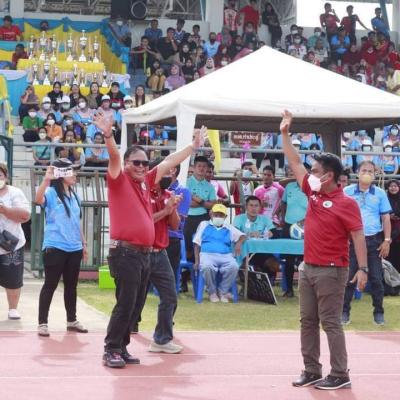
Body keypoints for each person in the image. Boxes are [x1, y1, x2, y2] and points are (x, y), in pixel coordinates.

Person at [92, 110, 206, 368]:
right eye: (136, 162)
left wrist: (193, 146)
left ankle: (122, 347)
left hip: (143, 253)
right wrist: (108, 135)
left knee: (135, 305)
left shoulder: (146, 182)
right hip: (126, 253)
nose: (142, 167)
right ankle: (111, 349)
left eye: (145, 163)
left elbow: (169, 162)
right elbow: (113, 157)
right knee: (126, 303)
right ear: (127, 163)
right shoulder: (119, 179)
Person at [280, 110, 368, 390]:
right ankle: (312, 370)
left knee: (330, 322)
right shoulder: (313, 192)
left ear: (329, 175)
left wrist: (363, 268)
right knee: (307, 320)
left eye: (316, 171)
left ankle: (340, 374)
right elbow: (294, 161)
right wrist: (284, 133)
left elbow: (358, 236)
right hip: (308, 267)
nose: (311, 174)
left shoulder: (347, 203)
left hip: (332, 270)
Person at [130, 160, 183, 353]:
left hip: (160, 254)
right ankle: (120, 337)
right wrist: (165, 211)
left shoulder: (168, 194)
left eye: (172, 173)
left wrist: (173, 208)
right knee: (132, 298)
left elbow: (175, 226)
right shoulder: (142, 194)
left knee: (170, 296)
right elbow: (143, 221)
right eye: (166, 172)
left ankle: (161, 339)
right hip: (140, 253)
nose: (170, 176)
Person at [35, 159, 88, 337]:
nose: (75, 175)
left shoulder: (75, 195)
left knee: (71, 286)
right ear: (61, 174)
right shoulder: (50, 192)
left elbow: (77, 222)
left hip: (74, 248)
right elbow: (37, 200)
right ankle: (42, 323)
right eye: (71, 171)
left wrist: (83, 244)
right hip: (55, 246)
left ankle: (72, 320)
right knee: (50, 285)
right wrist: (46, 179)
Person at [342, 161, 392, 326]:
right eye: (364, 170)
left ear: (375, 175)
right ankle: (344, 312)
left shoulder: (380, 193)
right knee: (349, 277)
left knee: (376, 278)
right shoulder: (347, 192)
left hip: (373, 241)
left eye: (370, 171)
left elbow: (386, 218)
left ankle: (379, 313)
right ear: (357, 173)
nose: (367, 173)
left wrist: (386, 240)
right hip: (351, 241)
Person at [194, 203, 246, 303]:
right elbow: (197, 243)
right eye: (216, 214)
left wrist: (239, 243)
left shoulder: (229, 227)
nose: (218, 217)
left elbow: (243, 236)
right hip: (207, 254)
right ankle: (212, 292)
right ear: (211, 214)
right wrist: (197, 261)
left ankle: (222, 291)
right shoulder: (204, 224)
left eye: (221, 215)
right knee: (207, 267)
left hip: (225, 255)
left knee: (234, 266)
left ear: (225, 217)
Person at [0, 163, 30, 320]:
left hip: (11, 244)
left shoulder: (15, 193)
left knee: (13, 279)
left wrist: (4, 210)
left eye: (0, 175)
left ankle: (13, 308)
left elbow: (25, 216)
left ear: (6, 177)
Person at [280, 166, 308, 297]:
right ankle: (289, 289)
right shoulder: (289, 187)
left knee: (306, 259)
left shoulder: (312, 189)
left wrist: (305, 220)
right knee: (288, 259)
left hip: (307, 227)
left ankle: (306, 290)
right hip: (288, 226)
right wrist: (283, 218)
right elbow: (283, 203)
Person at [184, 155, 217, 263]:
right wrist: (204, 203)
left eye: (204, 166)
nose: (202, 168)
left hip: (204, 217)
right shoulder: (186, 183)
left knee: (205, 241)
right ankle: (188, 266)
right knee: (187, 242)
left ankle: (202, 263)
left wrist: (198, 200)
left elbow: (213, 205)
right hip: (188, 216)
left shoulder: (209, 186)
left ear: (207, 168)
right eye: (199, 166)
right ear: (194, 167)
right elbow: (187, 203)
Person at [166, 164, 191, 290]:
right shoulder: (156, 188)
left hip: (171, 238)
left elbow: (177, 222)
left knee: (169, 278)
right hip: (154, 237)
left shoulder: (183, 191)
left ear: (173, 170)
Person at [386, 180, 400, 272]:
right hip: (388, 230)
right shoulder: (385, 198)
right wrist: (388, 216)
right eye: (391, 186)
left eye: (395, 186)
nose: (393, 188)